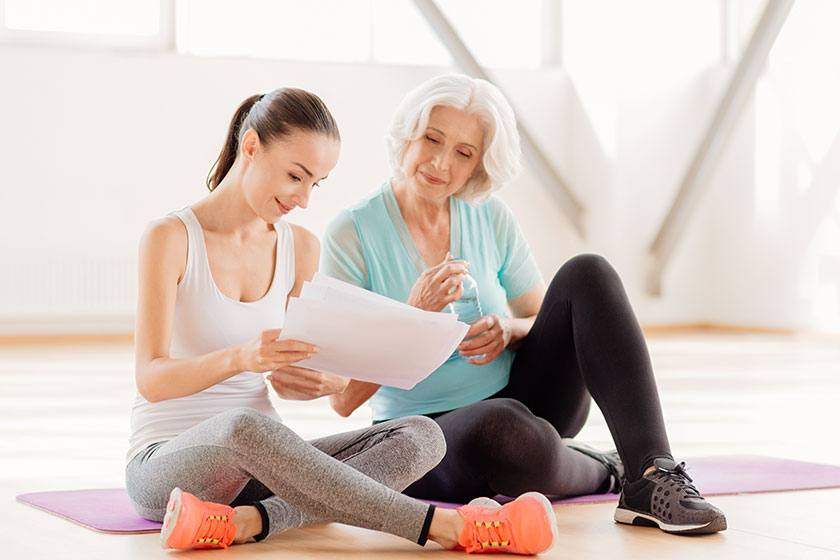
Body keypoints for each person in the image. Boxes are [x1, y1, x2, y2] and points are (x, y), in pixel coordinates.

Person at [126, 87, 558, 554]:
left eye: (316, 183)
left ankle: (246, 522)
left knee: (421, 435)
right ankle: (452, 529)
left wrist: (317, 381)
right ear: (250, 147)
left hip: (263, 470)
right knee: (241, 426)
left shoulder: (301, 248)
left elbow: (310, 380)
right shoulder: (170, 237)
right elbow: (151, 380)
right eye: (296, 176)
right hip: (168, 465)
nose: (304, 198)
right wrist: (242, 357)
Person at [322, 74, 727, 535]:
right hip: (423, 435)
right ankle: (608, 469)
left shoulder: (489, 215)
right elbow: (341, 399)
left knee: (587, 272)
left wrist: (510, 329)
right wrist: (415, 315)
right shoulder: (351, 233)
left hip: (525, 398)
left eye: (463, 152)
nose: (440, 162)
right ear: (407, 136)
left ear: (478, 164)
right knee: (504, 428)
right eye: (432, 139)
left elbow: (545, 317)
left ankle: (652, 474)